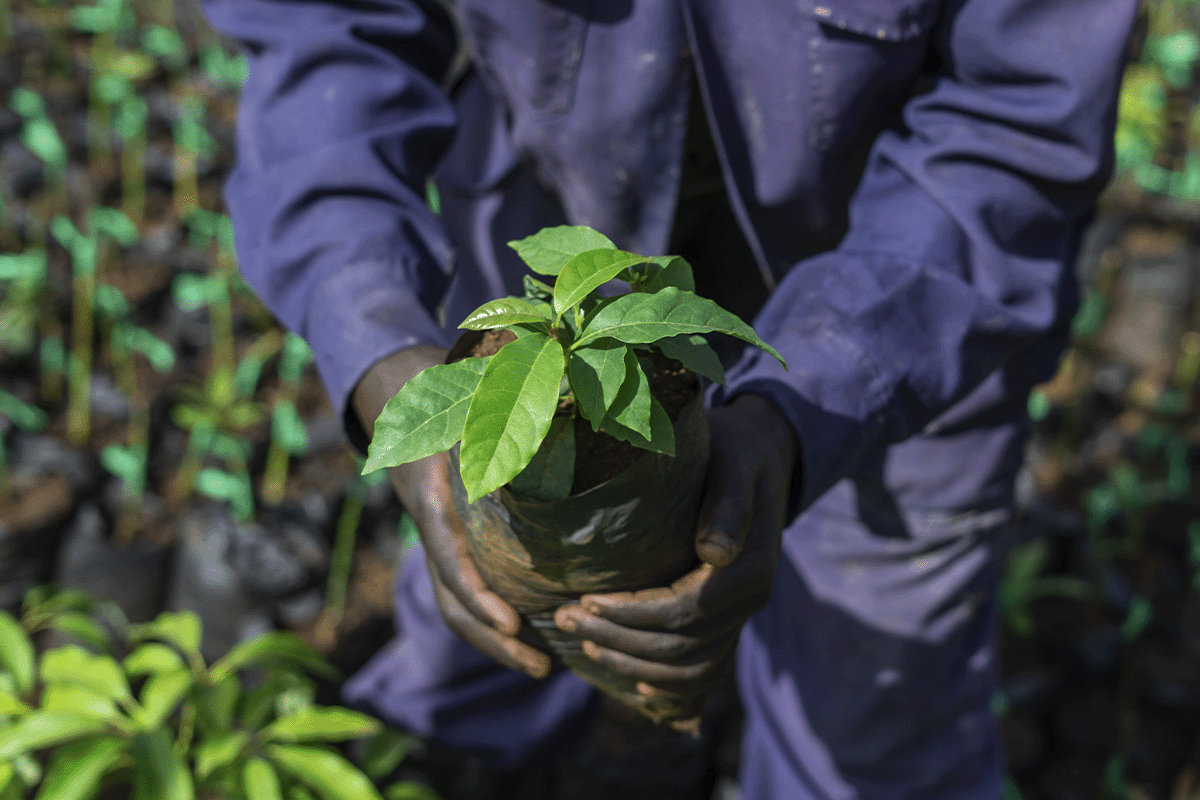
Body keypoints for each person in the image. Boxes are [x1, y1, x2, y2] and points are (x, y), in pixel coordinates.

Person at [200, 0, 1137, 796]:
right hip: (544, 248)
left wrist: (810, 398)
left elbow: (1019, 116)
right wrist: (375, 341)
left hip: (911, 316)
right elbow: (318, 28)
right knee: (478, 655)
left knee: (869, 722)